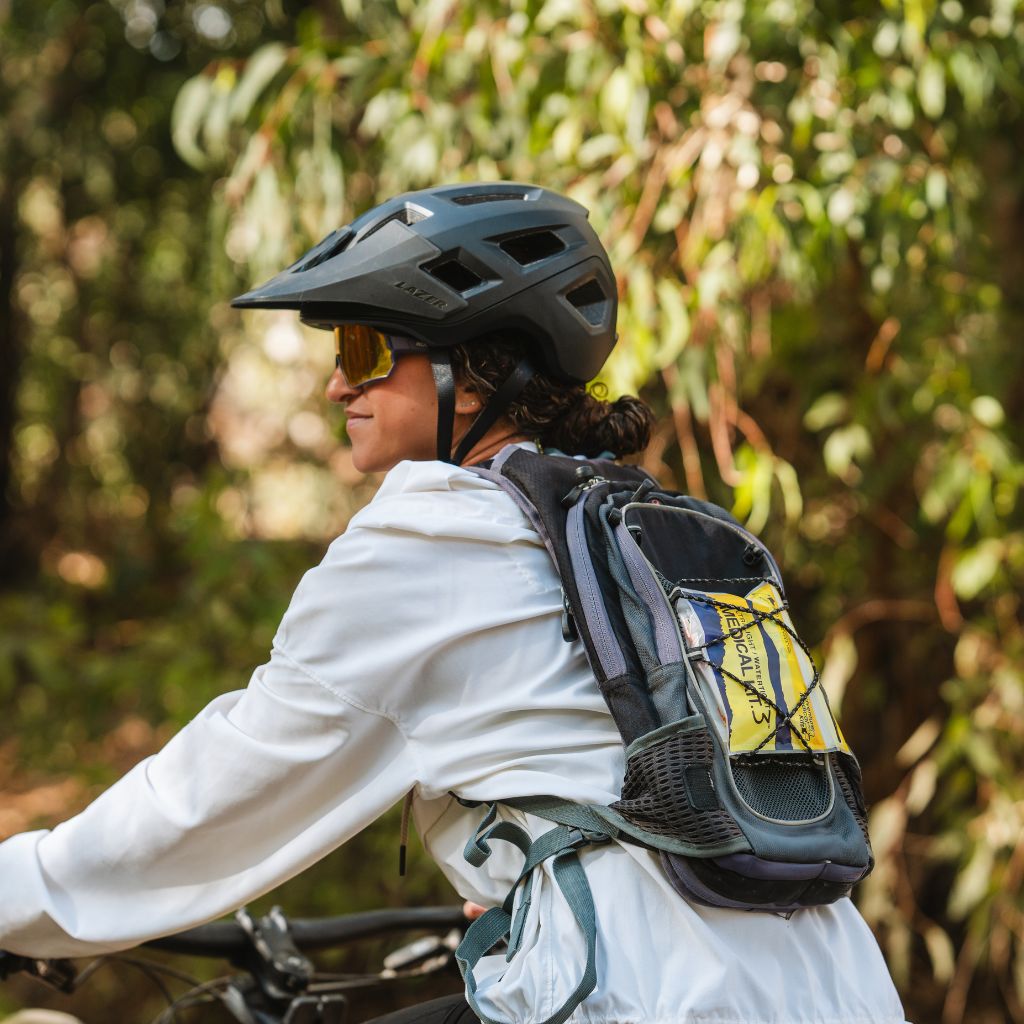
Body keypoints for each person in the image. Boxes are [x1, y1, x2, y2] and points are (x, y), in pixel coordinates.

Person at [0, 182, 907, 1024]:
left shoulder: (438, 533)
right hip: (837, 984)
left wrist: (18, 894)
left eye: (362, 351)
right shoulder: (628, 520)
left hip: (651, 995)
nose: (336, 385)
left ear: (472, 375)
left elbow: (210, 800)